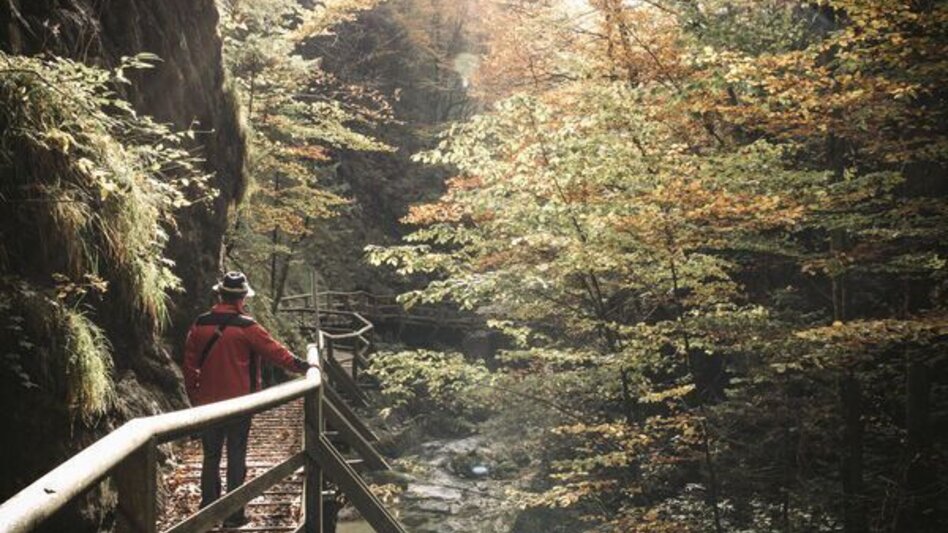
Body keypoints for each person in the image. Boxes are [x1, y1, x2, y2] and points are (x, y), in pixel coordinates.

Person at [183, 271, 310, 528]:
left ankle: (208, 512)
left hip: (207, 405)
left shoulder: (199, 324)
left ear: (220, 294)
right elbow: (276, 352)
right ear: (241, 298)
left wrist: (195, 397)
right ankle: (234, 513)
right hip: (240, 404)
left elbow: (189, 366)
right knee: (236, 454)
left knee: (210, 456)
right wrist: (304, 367)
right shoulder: (247, 327)